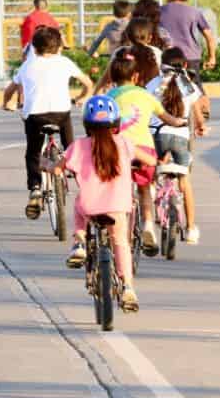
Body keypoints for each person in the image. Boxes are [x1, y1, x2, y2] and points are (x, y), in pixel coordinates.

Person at [62, 95, 153, 311]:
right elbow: (150, 161)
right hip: (118, 209)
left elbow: (58, 167)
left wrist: (49, 166)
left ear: (86, 124)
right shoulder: (123, 143)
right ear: (116, 124)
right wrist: (139, 163)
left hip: (89, 208)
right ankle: (128, 288)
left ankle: (80, 242)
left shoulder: (78, 146)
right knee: (120, 243)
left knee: (78, 202)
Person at [2, 26, 89, 220]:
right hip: (61, 114)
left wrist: (6, 103)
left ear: (34, 47)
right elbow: (88, 83)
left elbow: (9, 90)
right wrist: (81, 97)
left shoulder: (27, 65)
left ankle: (34, 189)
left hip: (36, 116)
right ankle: (84, 183)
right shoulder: (64, 62)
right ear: (59, 46)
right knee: (71, 148)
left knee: (32, 152)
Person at [105, 49, 184, 255]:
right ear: (136, 76)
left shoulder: (110, 96)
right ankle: (148, 224)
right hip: (144, 150)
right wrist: (180, 122)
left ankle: (117, 226)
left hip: (117, 149)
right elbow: (167, 117)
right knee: (143, 190)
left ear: (112, 77)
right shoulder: (145, 95)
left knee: (115, 186)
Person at [148, 48, 204, 244]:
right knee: (184, 180)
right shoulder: (189, 86)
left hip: (157, 135)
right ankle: (190, 228)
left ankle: (153, 191)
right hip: (181, 138)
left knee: (152, 171)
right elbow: (198, 115)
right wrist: (201, 127)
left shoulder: (153, 84)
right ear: (185, 65)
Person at [160, 0, 216, 70]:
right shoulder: (194, 12)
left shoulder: (159, 11)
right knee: (193, 84)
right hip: (191, 57)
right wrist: (212, 57)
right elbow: (209, 37)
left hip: (168, 58)